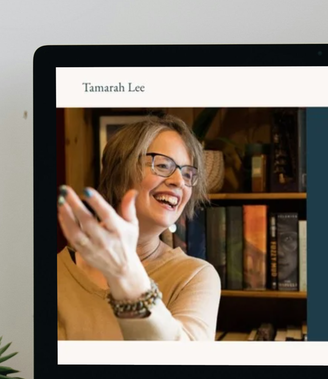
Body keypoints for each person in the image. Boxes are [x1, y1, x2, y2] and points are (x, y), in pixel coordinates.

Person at [57, 115, 221, 340]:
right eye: (162, 165)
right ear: (120, 171)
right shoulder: (53, 272)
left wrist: (126, 275)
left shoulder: (195, 276)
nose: (179, 181)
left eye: (187, 174)